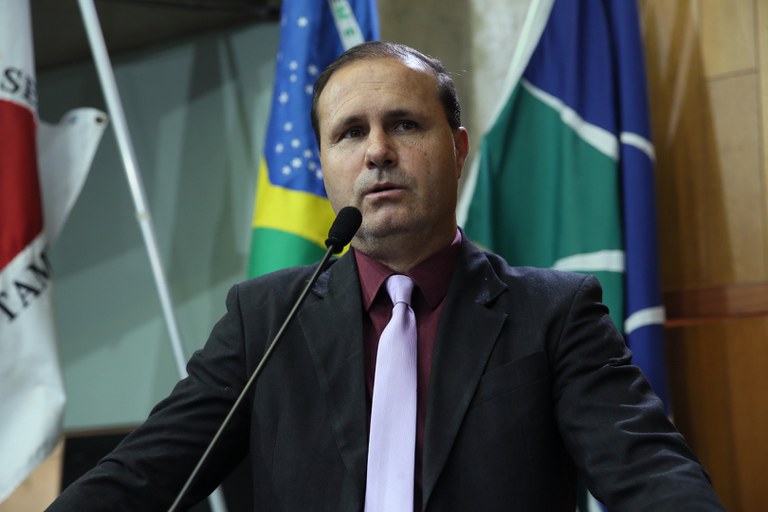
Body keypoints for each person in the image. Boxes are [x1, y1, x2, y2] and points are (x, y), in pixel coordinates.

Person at [47, 42, 724, 511]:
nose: (377, 151)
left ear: (456, 148)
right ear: (324, 167)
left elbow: (650, 474)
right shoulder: (266, 318)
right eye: (349, 133)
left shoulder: (554, 313)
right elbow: (141, 476)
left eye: (404, 124)